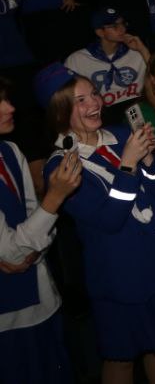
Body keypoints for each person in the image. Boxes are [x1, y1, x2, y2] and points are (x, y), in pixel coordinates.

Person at [43, 69, 155, 384]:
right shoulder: (60, 166)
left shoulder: (121, 134)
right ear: (60, 112)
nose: (94, 103)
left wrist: (148, 162)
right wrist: (128, 164)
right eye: (80, 100)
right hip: (121, 273)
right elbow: (109, 219)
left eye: (94, 94)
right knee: (121, 357)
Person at [1, 72, 80, 384]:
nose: (11, 108)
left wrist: (31, 247)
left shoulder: (10, 151)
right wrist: (56, 196)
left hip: (44, 297)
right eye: (0, 103)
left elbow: (39, 224)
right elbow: (11, 250)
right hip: (9, 319)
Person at [64, 6, 150, 113]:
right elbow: (66, 97)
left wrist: (143, 50)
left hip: (138, 108)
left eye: (123, 23)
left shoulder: (136, 51)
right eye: (114, 26)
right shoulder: (77, 60)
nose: (122, 29)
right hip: (101, 113)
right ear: (100, 32)